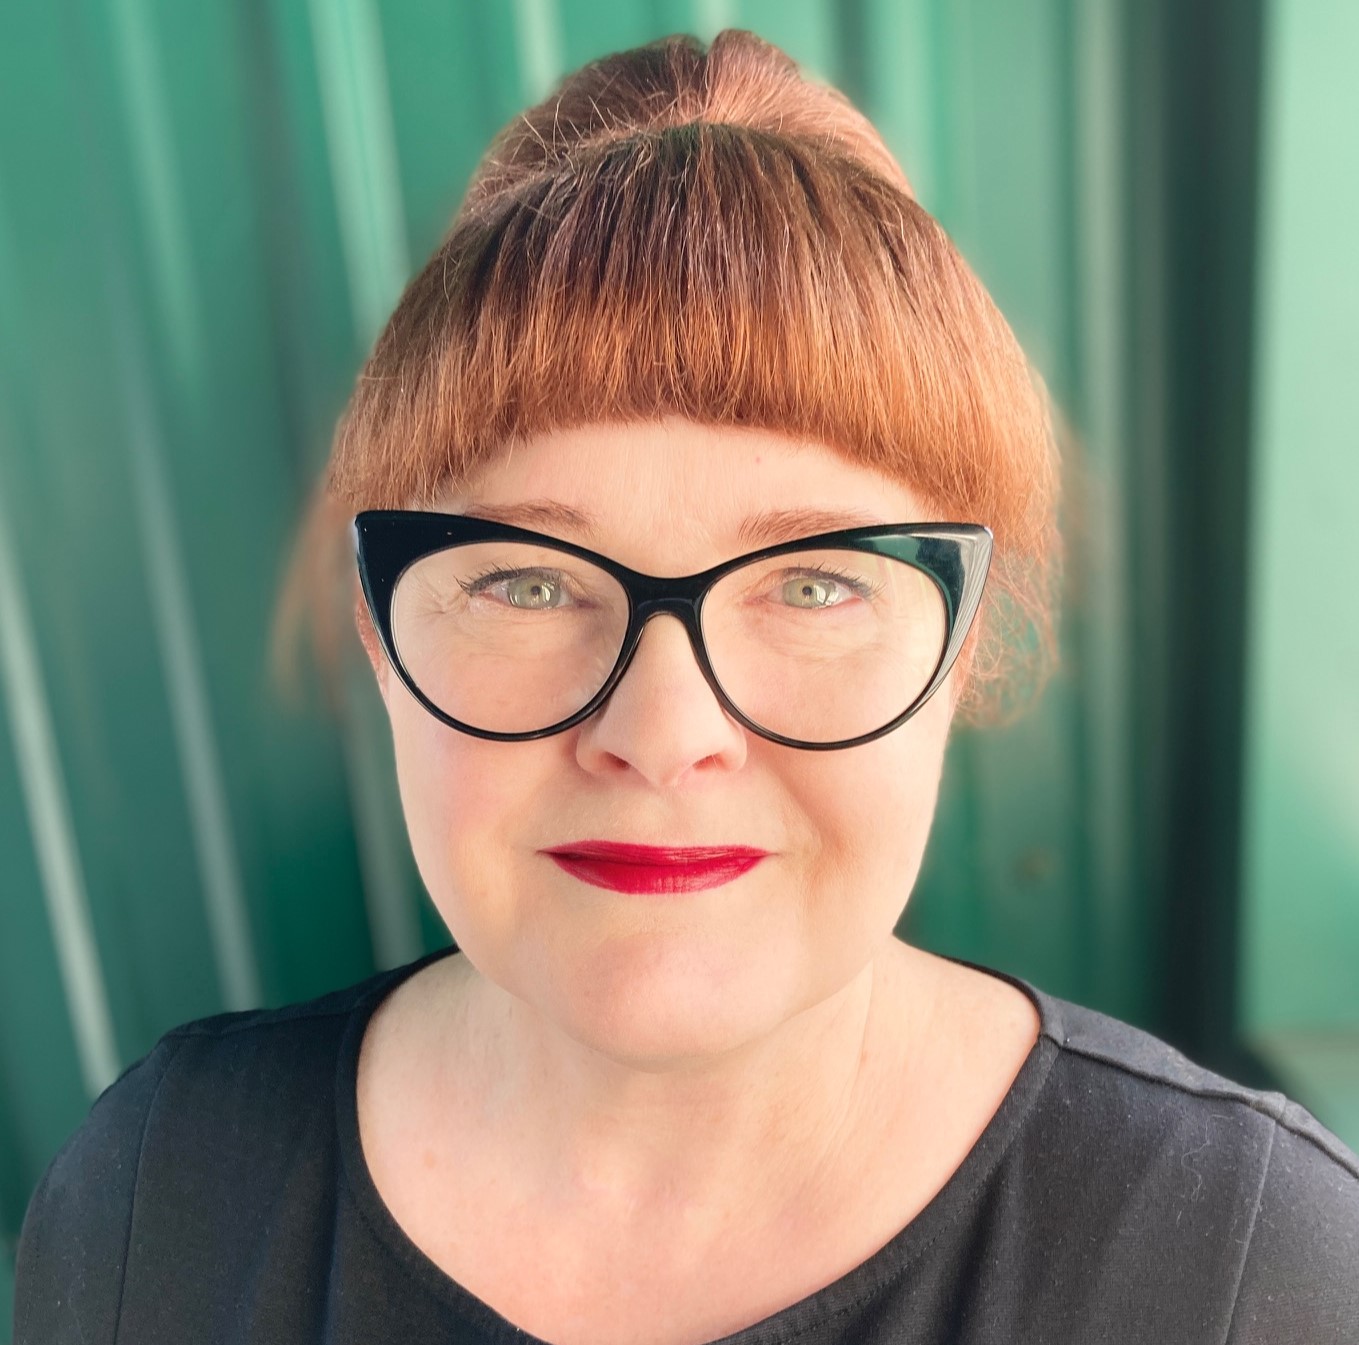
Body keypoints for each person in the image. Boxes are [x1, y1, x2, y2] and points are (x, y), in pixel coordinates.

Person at [13, 29, 1358, 1345]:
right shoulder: (156, 1196)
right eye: (530, 581)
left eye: (817, 580)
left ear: (961, 651)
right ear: (380, 631)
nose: (663, 737)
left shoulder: (1253, 1268)